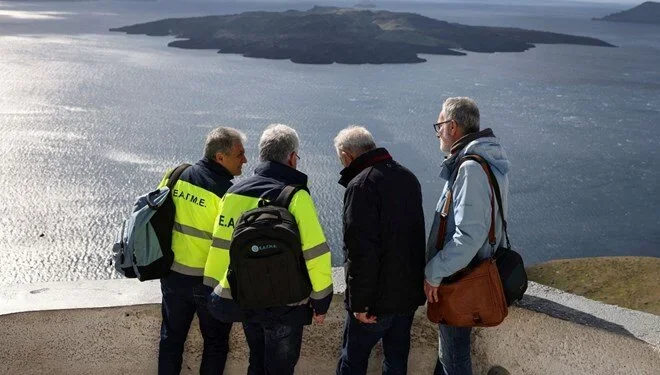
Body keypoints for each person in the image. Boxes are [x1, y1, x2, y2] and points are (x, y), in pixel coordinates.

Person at [204, 124, 333, 375]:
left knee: (257, 362)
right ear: (292, 158)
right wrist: (322, 300)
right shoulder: (295, 196)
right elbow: (315, 252)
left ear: (262, 155)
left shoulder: (233, 193)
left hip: (246, 299)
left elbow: (221, 247)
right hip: (287, 304)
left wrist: (215, 292)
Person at [424, 97, 510, 375]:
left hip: (461, 278)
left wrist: (434, 272)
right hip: (471, 272)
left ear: (453, 127)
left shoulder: (471, 168)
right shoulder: (487, 159)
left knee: (454, 357)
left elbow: (468, 237)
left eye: (440, 126)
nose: (438, 133)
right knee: (447, 353)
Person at [334, 126, 427, 375]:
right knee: (396, 362)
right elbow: (416, 238)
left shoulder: (361, 186)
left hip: (375, 302)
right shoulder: (408, 177)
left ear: (346, 155)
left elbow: (360, 250)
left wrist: (360, 304)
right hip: (407, 297)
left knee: (352, 363)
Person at [158, 127, 247, 375]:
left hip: (172, 275)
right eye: (240, 154)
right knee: (216, 345)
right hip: (206, 283)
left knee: (171, 341)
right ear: (220, 157)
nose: (245, 160)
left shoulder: (175, 175)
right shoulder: (227, 194)